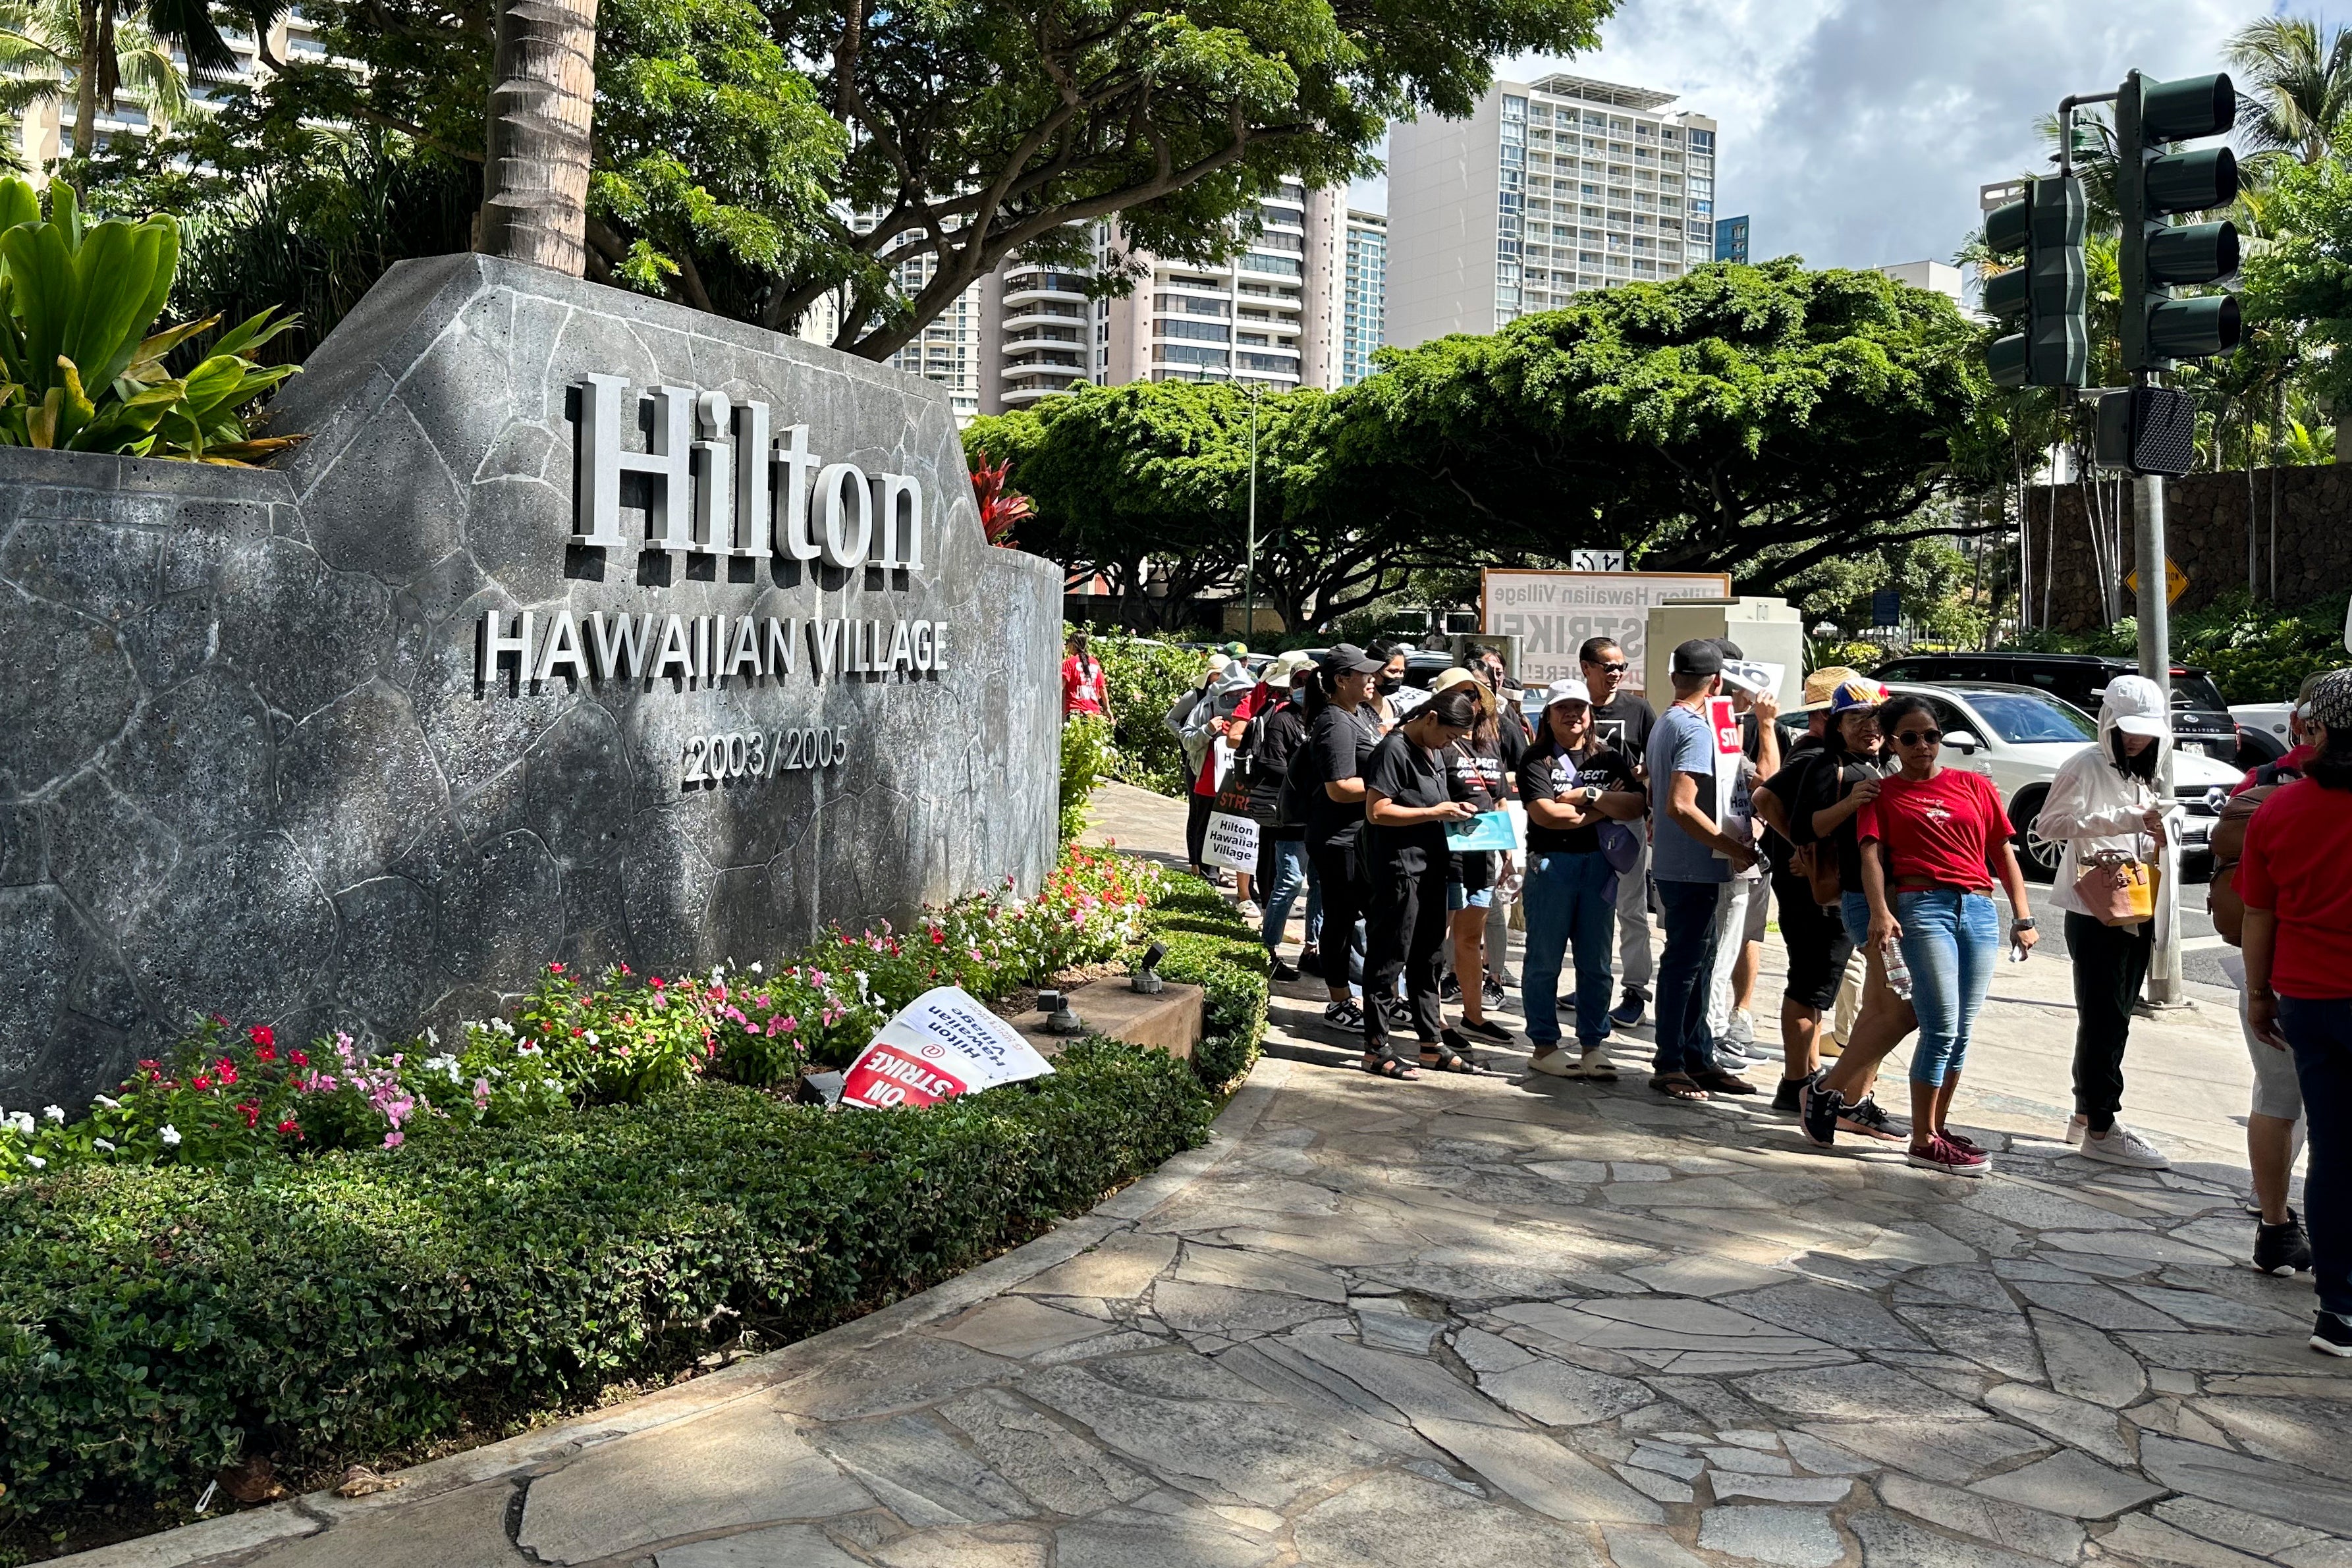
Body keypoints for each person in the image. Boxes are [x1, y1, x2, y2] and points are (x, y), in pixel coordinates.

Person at [1857, 693, 2038, 1176]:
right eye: (1910, 738)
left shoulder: (1974, 785)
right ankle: (1921, 1138)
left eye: (1931, 735)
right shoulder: (1882, 794)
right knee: (1938, 1025)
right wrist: (1879, 910)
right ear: (1892, 742)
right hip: (1923, 908)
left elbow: (2002, 853)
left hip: (1977, 908)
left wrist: (2023, 917)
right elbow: (1870, 856)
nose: (1923, 746)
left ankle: (1937, 1126)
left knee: (1961, 1030)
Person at [2238, 667, 2352, 1356]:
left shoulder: (2276, 809)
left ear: (2316, 728)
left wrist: (2257, 992)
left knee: (2335, 1153)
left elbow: (2259, 911)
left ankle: (2337, 1309)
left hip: (2306, 999)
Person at [2035, 674, 2174, 1169]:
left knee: (2108, 1014)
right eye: (2127, 728)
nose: (2136, 737)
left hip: (2131, 900)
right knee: (2105, 1017)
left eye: (2145, 730)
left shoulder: (2137, 771)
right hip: (2095, 906)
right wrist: (2123, 820)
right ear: (2107, 722)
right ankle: (2101, 1122)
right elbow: (2047, 825)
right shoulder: (2085, 765)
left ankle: (2086, 1111)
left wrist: (2153, 825)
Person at [1791, 680, 1917, 1147]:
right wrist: (1850, 802)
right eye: (1855, 718)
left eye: (1874, 719)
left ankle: (1853, 1099)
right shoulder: (1826, 765)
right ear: (1836, 725)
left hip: (1891, 894)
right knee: (1892, 1006)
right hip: (1860, 896)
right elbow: (1802, 823)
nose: (1867, 727)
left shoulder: (1881, 764)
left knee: (1880, 1003)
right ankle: (1831, 1095)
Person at [2227, 673, 2322, 1274]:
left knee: (2278, 1098)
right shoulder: (2292, 790)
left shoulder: (2264, 784)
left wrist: (2258, 990)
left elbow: (2252, 902)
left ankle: (2274, 1223)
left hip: (2271, 969)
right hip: (2310, 976)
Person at [1645, 639, 1759, 1102]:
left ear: (1675, 675)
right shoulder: (1692, 728)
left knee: (1701, 960)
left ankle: (1698, 1056)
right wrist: (1731, 846)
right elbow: (1679, 804)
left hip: (1687, 866)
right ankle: (1670, 1061)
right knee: (1684, 964)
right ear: (1716, 681)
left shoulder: (1667, 720)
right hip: (1690, 866)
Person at [1752, 669, 1867, 1114]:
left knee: (1817, 984)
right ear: (1827, 718)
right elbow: (1765, 798)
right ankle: (1796, 1080)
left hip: (1815, 888)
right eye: (1852, 716)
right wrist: (1803, 846)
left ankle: (1805, 1072)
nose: (1866, 725)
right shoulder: (1815, 758)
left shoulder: (1819, 753)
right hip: (1813, 892)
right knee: (1810, 983)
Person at [1519, 680, 1646, 1078]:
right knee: (1544, 960)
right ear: (1549, 715)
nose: (1573, 715)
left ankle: (1593, 1044)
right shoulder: (1535, 760)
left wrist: (1587, 798)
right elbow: (1546, 815)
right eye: (1563, 708)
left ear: (1590, 714)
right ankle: (1543, 1045)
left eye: (1580, 707)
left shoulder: (1609, 756)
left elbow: (1637, 805)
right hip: (1552, 866)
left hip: (1598, 866)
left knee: (1596, 962)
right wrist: (1603, 808)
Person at [1361, 687, 1486, 1077]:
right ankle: (1376, 1047)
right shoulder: (1393, 749)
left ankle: (1431, 1043)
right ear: (1431, 718)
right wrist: (1436, 811)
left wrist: (1455, 812)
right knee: (1390, 955)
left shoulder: (1431, 751)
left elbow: (1430, 803)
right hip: (1400, 869)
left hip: (1433, 867)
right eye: (1449, 736)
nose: (1450, 744)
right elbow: (1377, 811)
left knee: (1429, 956)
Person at [1300, 645, 1388, 1031]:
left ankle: (1379, 997)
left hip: (1361, 838)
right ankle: (1339, 1001)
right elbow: (1338, 787)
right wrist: (1387, 787)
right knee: (1340, 918)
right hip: (1339, 840)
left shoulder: (1360, 716)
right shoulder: (1335, 722)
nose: (1373, 679)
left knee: (1365, 918)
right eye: (1364, 673)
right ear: (1341, 680)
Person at [1431, 668, 1518, 1046]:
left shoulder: (1489, 743)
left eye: (1474, 695)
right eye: (1461, 694)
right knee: (1437, 938)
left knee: (1471, 938)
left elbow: (1498, 800)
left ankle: (1474, 1015)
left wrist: (1508, 854)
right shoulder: (1437, 742)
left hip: (1481, 856)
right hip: (1444, 854)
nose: (1470, 702)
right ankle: (1433, 1017)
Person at [1705, 653, 1784, 1069]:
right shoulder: (1713, 724)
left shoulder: (1712, 724)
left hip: (1727, 855)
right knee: (1717, 952)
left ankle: (1712, 1032)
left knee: (1724, 946)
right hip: (1720, 858)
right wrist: (1767, 725)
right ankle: (1711, 1034)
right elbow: (1766, 784)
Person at [1580, 637, 1659, 1028]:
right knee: (1588, 908)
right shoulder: (1571, 706)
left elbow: (1659, 758)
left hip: (1625, 821)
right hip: (1580, 823)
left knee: (1631, 908)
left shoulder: (1638, 708)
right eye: (1608, 667)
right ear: (1586, 668)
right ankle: (1590, 982)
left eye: (1621, 668)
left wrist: (1636, 780)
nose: (1616, 674)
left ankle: (1635, 991)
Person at [1249, 652, 1319, 981]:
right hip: (1291, 815)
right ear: (1290, 685)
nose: (1306, 687)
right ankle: (1268, 950)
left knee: (1319, 883)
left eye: (1311, 682)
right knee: (1290, 881)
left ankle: (1313, 949)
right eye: (1300, 682)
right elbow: (1268, 763)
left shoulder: (1323, 719)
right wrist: (1309, 779)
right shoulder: (1282, 719)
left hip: (1322, 817)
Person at [1180, 662, 1259, 887]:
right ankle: (1208, 875)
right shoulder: (1206, 707)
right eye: (1235, 691)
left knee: (1238, 827)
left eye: (1244, 691)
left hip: (1239, 780)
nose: (1240, 695)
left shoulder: (1251, 709)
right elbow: (1187, 740)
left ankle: (1243, 881)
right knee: (1205, 825)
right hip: (1207, 777)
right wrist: (1207, 730)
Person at [1062, 632, 1110, 724]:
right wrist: (1107, 708)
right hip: (1093, 713)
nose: (1068, 645)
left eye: (1069, 642)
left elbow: (1060, 688)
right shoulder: (1095, 663)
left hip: (1075, 712)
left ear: (1073, 644)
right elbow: (1102, 688)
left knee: (1075, 738)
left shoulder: (1069, 663)